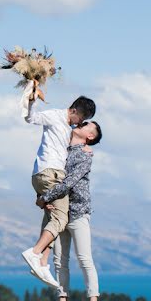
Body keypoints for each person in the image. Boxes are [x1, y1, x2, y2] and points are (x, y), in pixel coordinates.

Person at [20, 80, 96, 287]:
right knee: (61, 219)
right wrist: (32, 98)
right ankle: (35, 253)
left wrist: (86, 150)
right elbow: (31, 117)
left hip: (48, 174)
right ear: (73, 110)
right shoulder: (55, 116)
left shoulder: (69, 131)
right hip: (50, 173)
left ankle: (43, 263)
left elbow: (72, 151)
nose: (78, 124)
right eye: (80, 119)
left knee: (51, 217)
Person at [38, 120, 103, 301]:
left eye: (85, 125)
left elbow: (68, 183)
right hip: (60, 212)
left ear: (89, 136)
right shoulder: (61, 149)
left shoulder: (85, 156)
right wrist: (44, 196)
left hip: (78, 211)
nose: (79, 125)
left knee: (84, 258)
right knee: (60, 260)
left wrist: (45, 198)